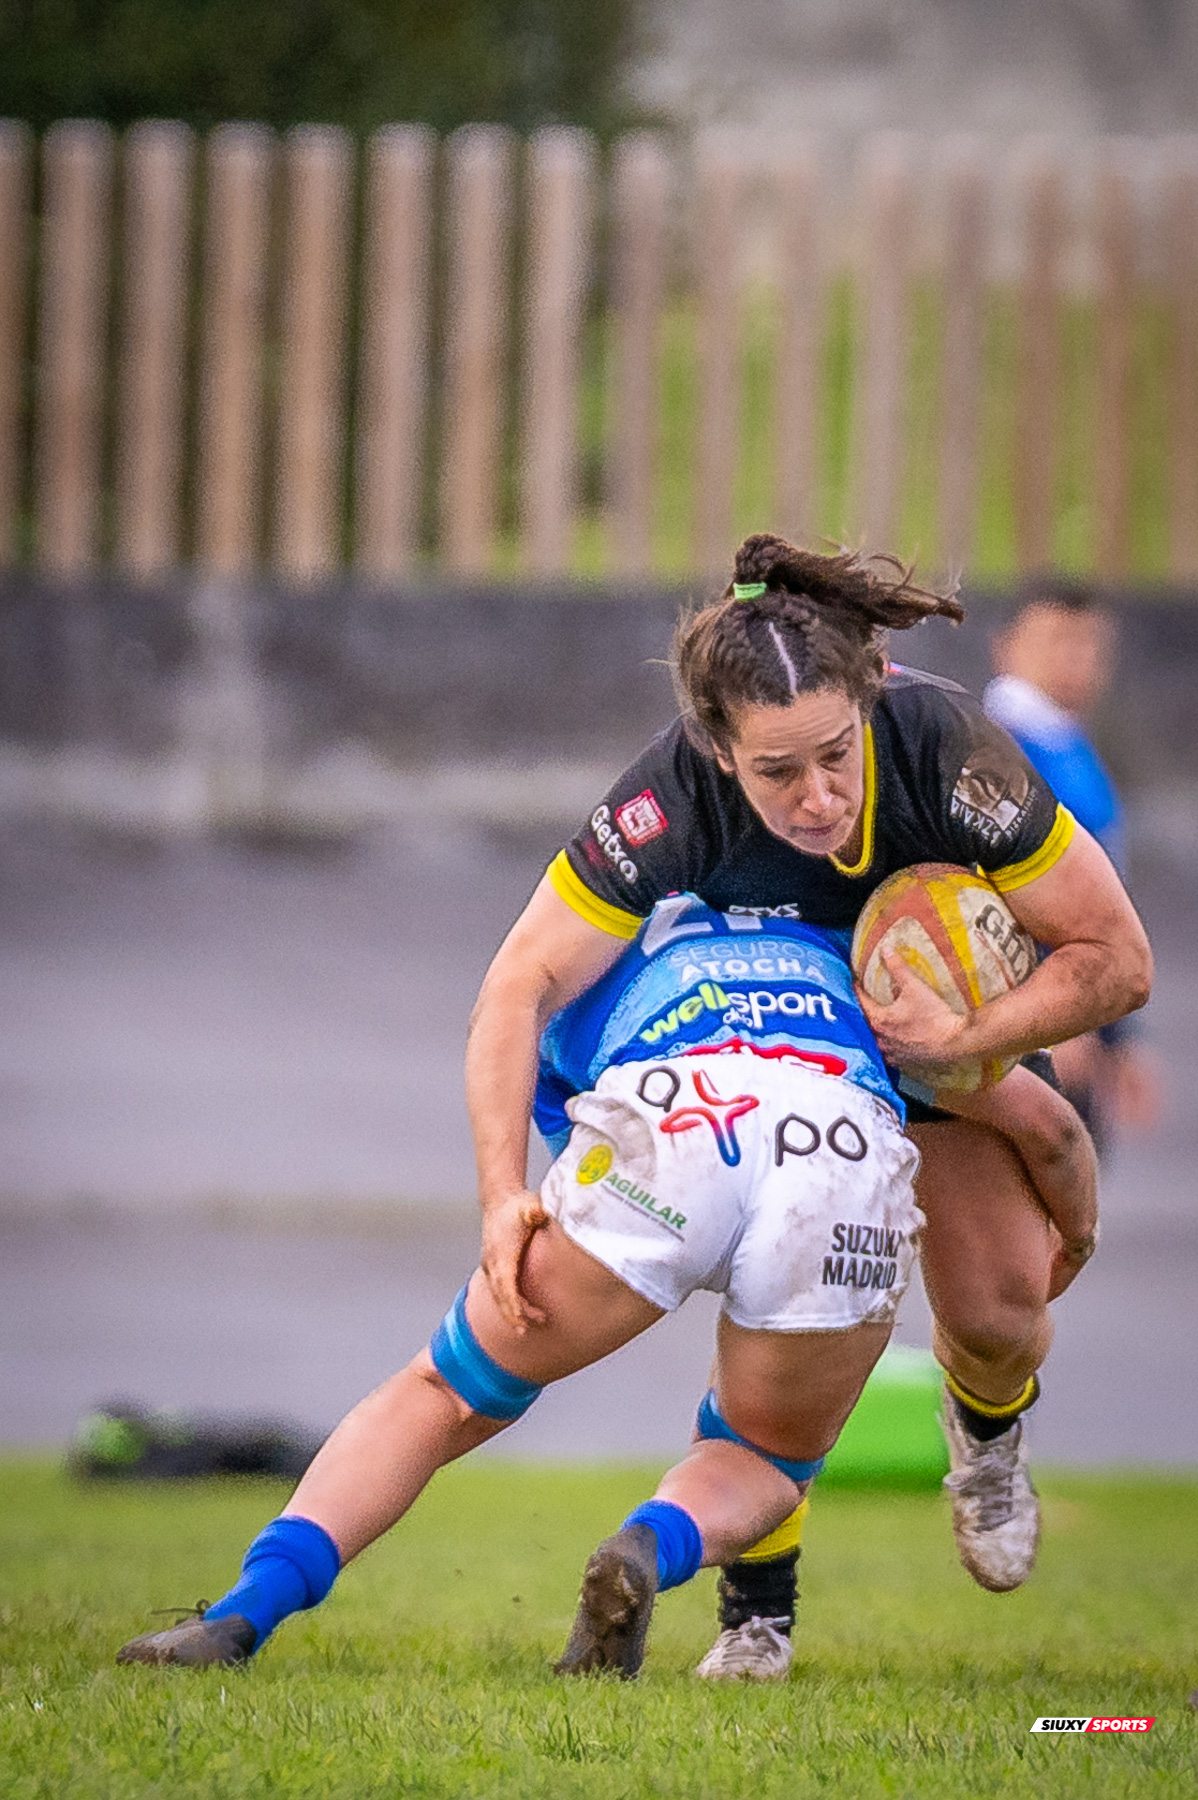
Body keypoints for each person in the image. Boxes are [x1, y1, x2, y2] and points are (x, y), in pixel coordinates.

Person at [467, 536, 1150, 1679]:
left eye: (835, 757)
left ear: (874, 695)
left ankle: (985, 1434)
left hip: (934, 1039)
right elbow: (519, 979)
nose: (818, 796)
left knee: (996, 1311)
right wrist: (498, 1195)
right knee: (779, 1293)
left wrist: (968, 1042)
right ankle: (756, 1611)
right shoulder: (675, 782)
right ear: (719, 749)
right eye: (779, 772)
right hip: (780, 1048)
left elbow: (1117, 958)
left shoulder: (954, 756)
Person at [115, 892, 929, 1670]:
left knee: (450, 1390)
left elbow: (543, 1067)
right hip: (842, 1141)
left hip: (677, 1116)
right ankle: (651, 1540)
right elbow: (1014, 1109)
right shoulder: (848, 938)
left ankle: (246, 1607)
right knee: (764, 1457)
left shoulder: (595, 927)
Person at [984, 580, 1161, 1155]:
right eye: (1056, 639)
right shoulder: (993, 745)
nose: (1074, 657)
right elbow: (987, 885)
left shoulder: (1066, 741)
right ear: (1004, 646)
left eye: (1088, 643)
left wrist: (1121, 1034)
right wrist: (1052, 1014)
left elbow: (1104, 898)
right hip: (1040, 1026)